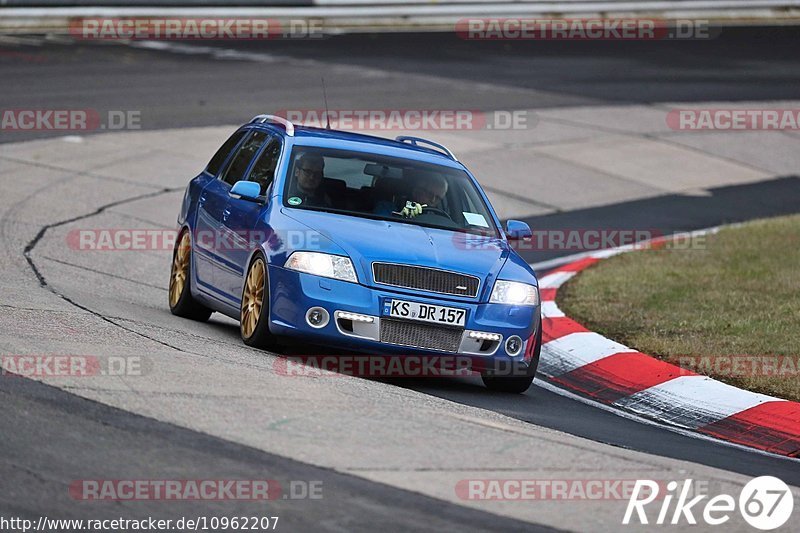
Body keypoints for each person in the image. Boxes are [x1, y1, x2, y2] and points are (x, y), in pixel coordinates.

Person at [374, 171, 449, 218]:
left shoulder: (439, 217)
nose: (433, 200)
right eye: (430, 194)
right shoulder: (387, 207)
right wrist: (403, 217)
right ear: (417, 191)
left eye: (438, 198)